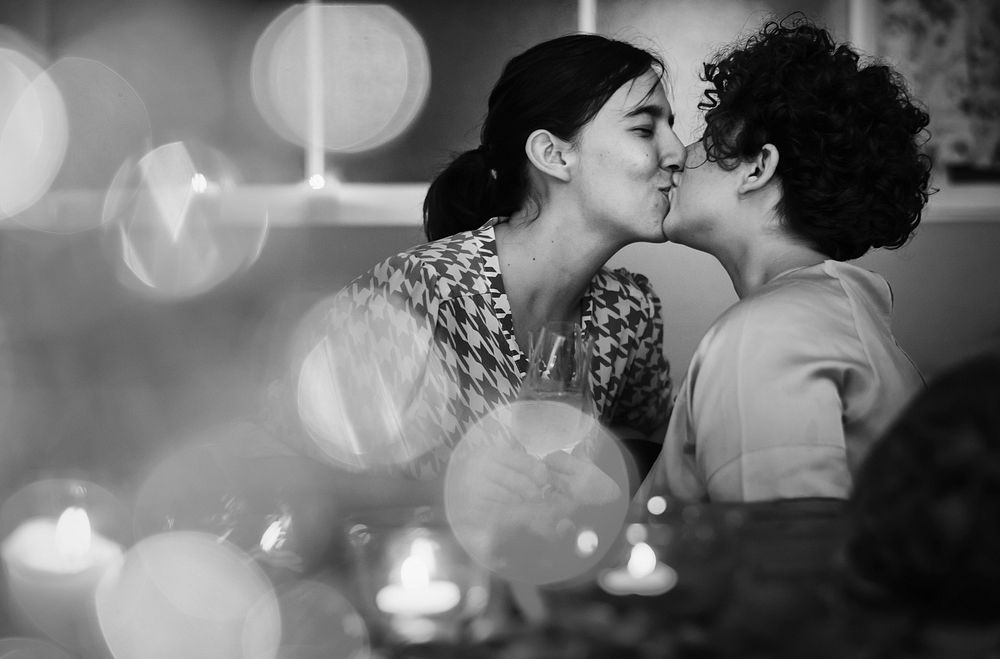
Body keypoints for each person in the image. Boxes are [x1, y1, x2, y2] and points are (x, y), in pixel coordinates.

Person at [290, 33, 685, 515]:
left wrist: (613, 485)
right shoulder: (421, 290)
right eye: (645, 130)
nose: (678, 152)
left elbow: (654, 452)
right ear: (554, 155)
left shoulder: (629, 310)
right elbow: (297, 471)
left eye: (671, 127)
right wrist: (439, 494)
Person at [644, 17, 929, 502]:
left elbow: (783, 557)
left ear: (758, 166)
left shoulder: (769, 332)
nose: (675, 157)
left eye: (703, 139)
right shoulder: (833, 310)